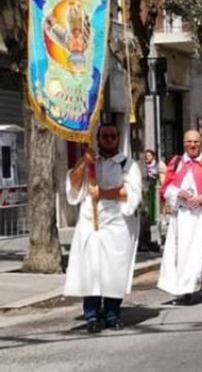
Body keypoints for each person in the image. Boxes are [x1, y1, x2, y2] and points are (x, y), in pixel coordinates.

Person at [64, 124, 142, 333]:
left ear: (118, 138)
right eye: (104, 136)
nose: (108, 139)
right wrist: (84, 161)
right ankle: (91, 315)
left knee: (113, 272)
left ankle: (112, 314)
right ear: (98, 138)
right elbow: (73, 187)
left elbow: (131, 193)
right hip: (91, 224)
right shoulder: (89, 162)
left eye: (112, 136)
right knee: (92, 271)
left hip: (116, 225)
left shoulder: (127, 164)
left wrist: (104, 193)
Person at [158, 130, 202, 304]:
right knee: (182, 253)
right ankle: (183, 290)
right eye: (189, 141)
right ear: (184, 143)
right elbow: (166, 188)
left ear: (200, 143)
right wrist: (177, 193)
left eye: (195, 142)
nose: (192, 145)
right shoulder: (177, 162)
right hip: (182, 216)